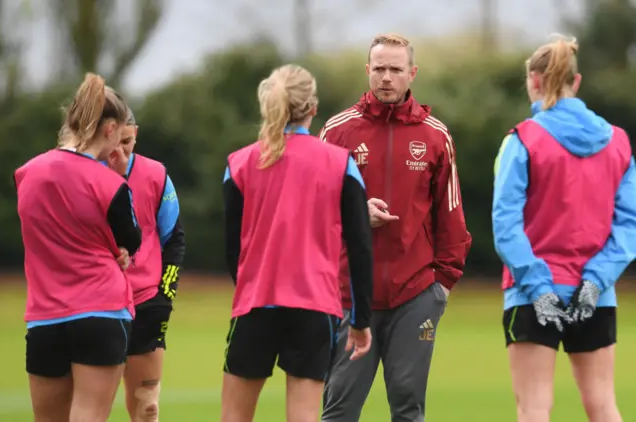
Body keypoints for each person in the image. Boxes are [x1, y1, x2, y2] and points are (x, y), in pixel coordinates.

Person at [319, 33, 472, 422]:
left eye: (395, 69)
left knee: (408, 407)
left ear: (412, 73)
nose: (386, 77)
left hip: (415, 293)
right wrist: (354, 213)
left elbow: (450, 216)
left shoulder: (436, 136)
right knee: (339, 409)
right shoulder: (337, 132)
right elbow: (312, 213)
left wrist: (442, 284)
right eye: (379, 68)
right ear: (367, 70)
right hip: (350, 293)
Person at [493, 36, 636, 422]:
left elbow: (506, 224)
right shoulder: (618, 143)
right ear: (577, 80)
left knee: (535, 408)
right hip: (597, 295)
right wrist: (594, 282)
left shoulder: (522, 140)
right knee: (603, 405)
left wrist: (539, 288)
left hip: (530, 292)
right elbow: (628, 226)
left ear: (534, 81)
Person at [221, 64, 374, 422]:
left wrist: (248, 288)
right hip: (315, 308)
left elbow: (233, 249)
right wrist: (361, 319)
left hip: (255, 304)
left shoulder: (239, 162)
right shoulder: (341, 163)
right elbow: (360, 245)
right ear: (313, 108)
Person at [16, 72, 142, 422]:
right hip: (100, 312)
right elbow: (131, 239)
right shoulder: (109, 181)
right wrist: (117, 178)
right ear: (109, 129)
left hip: (44, 317)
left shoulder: (27, 173)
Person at [106, 109, 185, 422]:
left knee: (148, 406)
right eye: (116, 141)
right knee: (91, 407)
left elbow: (174, 239)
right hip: (99, 305)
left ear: (136, 133)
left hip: (147, 302)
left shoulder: (155, 174)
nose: (122, 150)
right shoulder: (87, 172)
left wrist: (164, 294)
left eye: (128, 140)